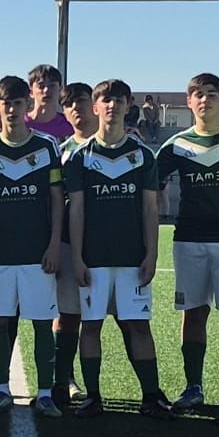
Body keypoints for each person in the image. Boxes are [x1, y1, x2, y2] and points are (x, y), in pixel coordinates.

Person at [66, 79, 170, 418]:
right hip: (93, 258)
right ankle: (93, 397)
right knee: (91, 325)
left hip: (132, 258)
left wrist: (151, 254)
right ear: (95, 107)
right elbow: (76, 209)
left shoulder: (142, 155)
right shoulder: (80, 157)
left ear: (128, 107)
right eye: (105, 100)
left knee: (139, 325)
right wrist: (78, 256)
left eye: (118, 100)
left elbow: (150, 209)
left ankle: (151, 396)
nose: (112, 105)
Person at [0, 75, 64, 417]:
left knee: (41, 321)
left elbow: (57, 200)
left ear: (27, 106)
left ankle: (44, 393)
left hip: (37, 253)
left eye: (17, 103)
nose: (11, 109)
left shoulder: (46, 147)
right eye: (5, 103)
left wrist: (54, 244)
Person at [155, 72, 219, 413]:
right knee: (193, 314)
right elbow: (150, 184)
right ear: (189, 102)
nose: (205, 100)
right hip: (189, 240)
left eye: (211, 94)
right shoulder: (176, 145)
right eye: (198, 94)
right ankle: (193, 387)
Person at [50, 80, 96, 403]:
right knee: (68, 314)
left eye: (82, 102)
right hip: (69, 243)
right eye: (70, 105)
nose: (77, 109)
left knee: (121, 317)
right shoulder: (61, 152)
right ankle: (64, 379)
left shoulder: (117, 144)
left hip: (112, 246)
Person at [27, 64, 74, 140]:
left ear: (60, 90)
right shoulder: (20, 124)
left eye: (52, 86)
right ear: (31, 92)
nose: (46, 90)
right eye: (41, 86)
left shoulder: (70, 124)